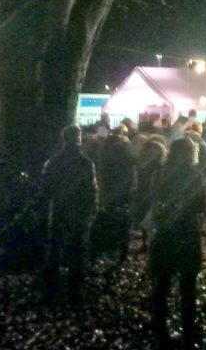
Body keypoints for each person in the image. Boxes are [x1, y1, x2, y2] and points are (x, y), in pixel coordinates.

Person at [148, 138, 206, 350]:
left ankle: (161, 329)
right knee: (188, 284)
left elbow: (153, 197)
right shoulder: (194, 174)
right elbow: (201, 204)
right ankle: (188, 330)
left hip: (164, 232)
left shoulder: (160, 173)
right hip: (186, 232)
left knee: (162, 283)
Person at [41, 125, 99, 304]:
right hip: (79, 211)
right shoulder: (85, 162)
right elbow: (91, 189)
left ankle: (50, 290)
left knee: (55, 248)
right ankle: (75, 291)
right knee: (78, 250)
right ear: (78, 139)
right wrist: (92, 208)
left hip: (59, 209)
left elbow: (46, 187)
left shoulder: (54, 161)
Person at [91, 128, 136, 264]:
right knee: (123, 222)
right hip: (122, 195)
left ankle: (101, 250)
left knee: (105, 219)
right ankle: (120, 251)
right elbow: (132, 177)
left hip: (108, 194)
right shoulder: (127, 157)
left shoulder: (104, 156)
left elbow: (101, 176)